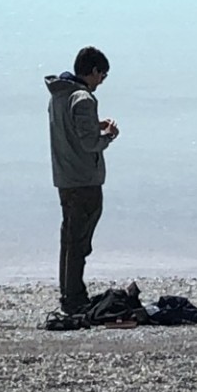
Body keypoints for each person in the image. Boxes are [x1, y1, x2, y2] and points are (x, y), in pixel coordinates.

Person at [46, 46, 119, 315]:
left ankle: (69, 293)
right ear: (95, 71)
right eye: (103, 75)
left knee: (69, 239)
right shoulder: (84, 98)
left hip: (65, 178)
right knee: (80, 242)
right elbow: (89, 143)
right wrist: (108, 135)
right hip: (84, 180)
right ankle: (75, 296)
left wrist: (95, 124)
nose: (102, 81)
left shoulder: (59, 95)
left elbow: (72, 129)